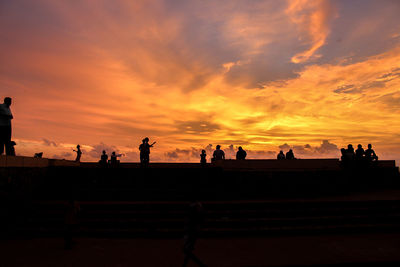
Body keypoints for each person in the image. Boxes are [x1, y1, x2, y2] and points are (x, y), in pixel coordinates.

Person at [182, 201, 207, 267]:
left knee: (186, 250)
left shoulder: (195, 207)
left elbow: (196, 219)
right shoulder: (195, 207)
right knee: (187, 250)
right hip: (191, 230)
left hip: (192, 231)